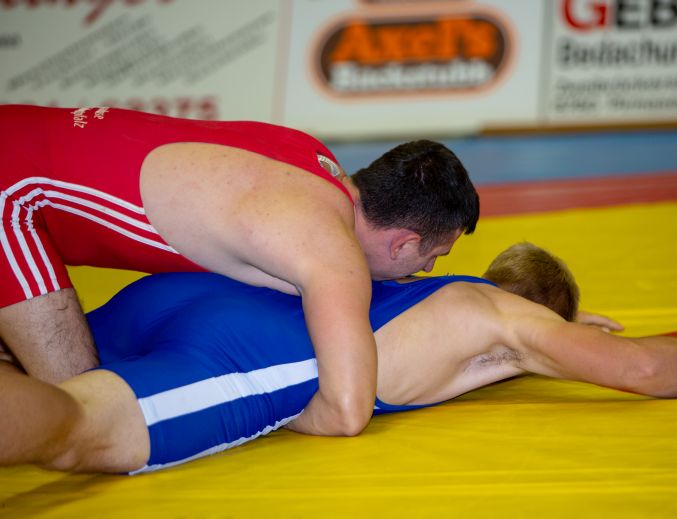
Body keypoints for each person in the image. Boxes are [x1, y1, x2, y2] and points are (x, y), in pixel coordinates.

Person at [1, 242, 677, 474]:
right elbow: (643, 370)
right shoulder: (499, 317)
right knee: (77, 425)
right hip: (250, 350)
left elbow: (516, 322)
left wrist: (568, 317)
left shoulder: (438, 286)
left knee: (35, 355)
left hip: (181, 295)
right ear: (542, 315)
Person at [0, 104, 479, 436]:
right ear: (405, 242)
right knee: (83, 413)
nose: (426, 270)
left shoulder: (311, 157)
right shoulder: (330, 252)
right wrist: (258, 413)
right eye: (433, 256)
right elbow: (347, 412)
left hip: (18, 131)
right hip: (11, 194)